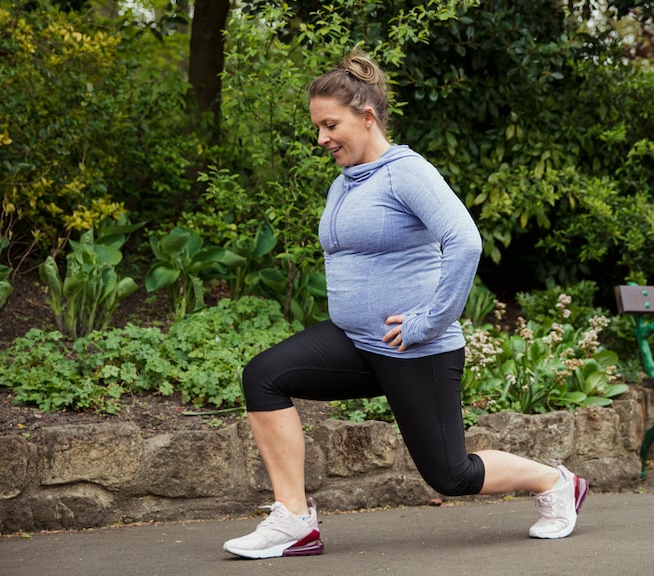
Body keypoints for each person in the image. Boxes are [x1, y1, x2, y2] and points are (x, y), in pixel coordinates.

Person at [222, 50, 589, 560]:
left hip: (414, 346)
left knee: (450, 475)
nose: (321, 139)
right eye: (318, 127)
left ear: (366, 117)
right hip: (354, 341)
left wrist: (429, 321)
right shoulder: (345, 181)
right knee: (264, 376)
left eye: (330, 125)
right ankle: (294, 520)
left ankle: (556, 482)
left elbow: (465, 242)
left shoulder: (407, 172)